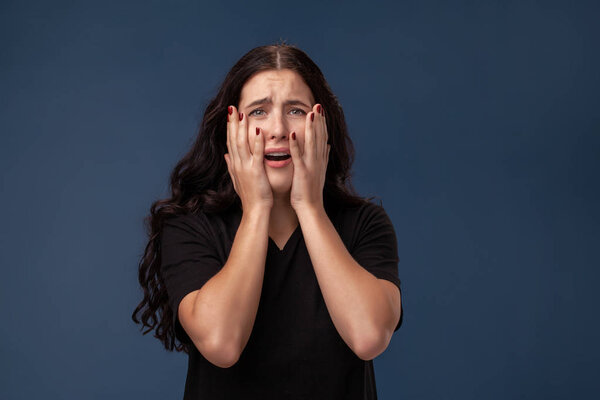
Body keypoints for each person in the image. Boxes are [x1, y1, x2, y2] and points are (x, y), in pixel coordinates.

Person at [132, 43, 403, 399]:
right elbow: (221, 343)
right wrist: (257, 207)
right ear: (231, 127)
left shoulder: (365, 223)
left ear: (320, 124)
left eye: (295, 110)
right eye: (258, 111)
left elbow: (368, 336)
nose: (277, 129)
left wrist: (309, 206)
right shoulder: (189, 227)